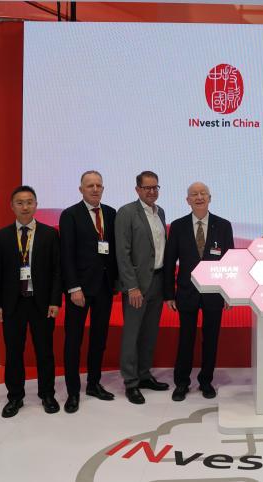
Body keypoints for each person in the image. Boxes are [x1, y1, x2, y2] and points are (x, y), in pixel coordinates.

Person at [0, 186, 62, 417]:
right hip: (13, 304)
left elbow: (57, 270)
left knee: (45, 352)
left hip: (41, 303)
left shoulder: (49, 234)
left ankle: (47, 394)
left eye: (29, 202)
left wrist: (55, 301)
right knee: (14, 353)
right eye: (20, 202)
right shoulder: (2, 235)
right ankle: (15, 397)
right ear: (12, 206)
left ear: (36, 205)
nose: (25, 207)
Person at [164, 182, 234, 402]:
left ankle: (206, 381)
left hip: (214, 293)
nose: (199, 197)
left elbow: (230, 262)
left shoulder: (223, 225)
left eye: (203, 193)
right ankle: (181, 383)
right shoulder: (178, 226)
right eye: (194, 194)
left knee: (211, 339)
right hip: (187, 292)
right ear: (188, 200)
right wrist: (169, 293)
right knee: (186, 339)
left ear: (210, 198)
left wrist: (229, 293)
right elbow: (169, 261)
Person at [59, 171, 118, 413]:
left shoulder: (111, 213)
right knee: (74, 341)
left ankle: (94, 384)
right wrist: (73, 287)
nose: (95, 189)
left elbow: (113, 251)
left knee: (99, 339)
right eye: (90, 185)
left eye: (98, 185)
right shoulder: (70, 215)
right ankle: (73, 392)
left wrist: (116, 282)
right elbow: (66, 254)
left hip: (104, 287)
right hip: (79, 290)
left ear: (103, 188)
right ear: (81, 189)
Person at [115, 171, 170, 404]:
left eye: (155, 187)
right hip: (137, 285)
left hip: (157, 281)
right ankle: (131, 382)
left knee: (149, 333)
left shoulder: (160, 212)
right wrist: (131, 287)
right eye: (147, 187)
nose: (152, 191)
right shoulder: (127, 212)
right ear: (137, 189)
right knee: (132, 334)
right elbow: (122, 253)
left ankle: (144, 375)